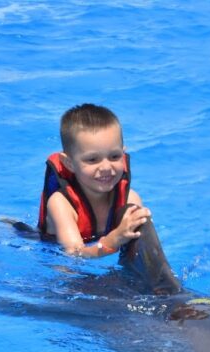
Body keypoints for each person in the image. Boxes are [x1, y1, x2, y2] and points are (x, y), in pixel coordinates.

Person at [36, 103, 151, 258]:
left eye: (114, 156)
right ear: (69, 163)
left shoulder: (130, 198)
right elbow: (74, 255)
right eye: (92, 159)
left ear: (123, 154)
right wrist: (113, 240)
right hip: (53, 256)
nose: (105, 167)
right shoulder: (61, 204)